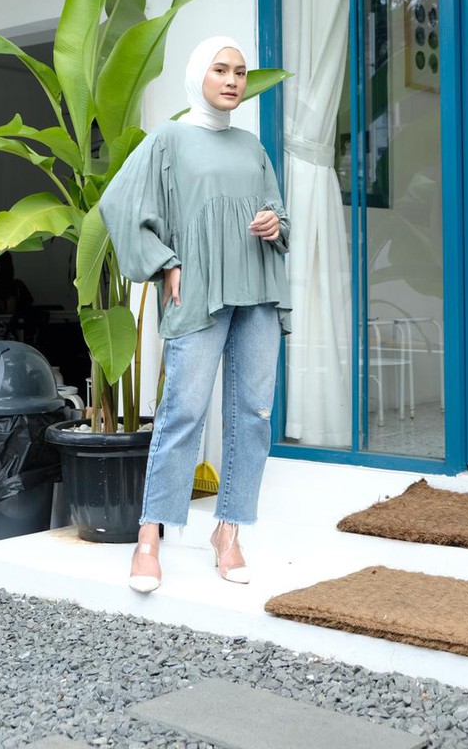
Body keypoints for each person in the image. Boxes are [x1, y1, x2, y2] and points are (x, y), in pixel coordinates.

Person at [99, 35, 291, 593]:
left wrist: (274, 224)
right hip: (199, 293)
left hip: (258, 290)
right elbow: (119, 203)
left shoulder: (252, 147)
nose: (232, 80)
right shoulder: (170, 139)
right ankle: (149, 536)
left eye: (239, 72)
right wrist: (165, 262)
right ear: (198, 76)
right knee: (183, 410)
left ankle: (229, 531)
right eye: (220, 70)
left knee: (253, 414)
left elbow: (280, 215)